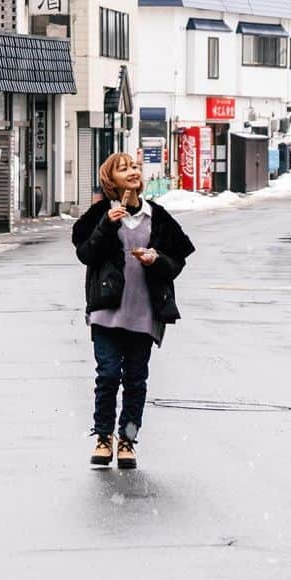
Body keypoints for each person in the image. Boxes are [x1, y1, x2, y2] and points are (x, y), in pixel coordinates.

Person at [71, 151, 194, 470]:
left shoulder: (158, 217)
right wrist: (105, 226)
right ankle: (103, 437)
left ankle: (127, 440)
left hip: (144, 311)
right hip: (106, 310)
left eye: (136, 167)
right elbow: (86, 254)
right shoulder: (101, 213)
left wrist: (157, 259)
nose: (133, 172)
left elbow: (177, 261)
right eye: (124, 168)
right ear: (111, 180)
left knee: (136, 379)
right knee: (108, 374)